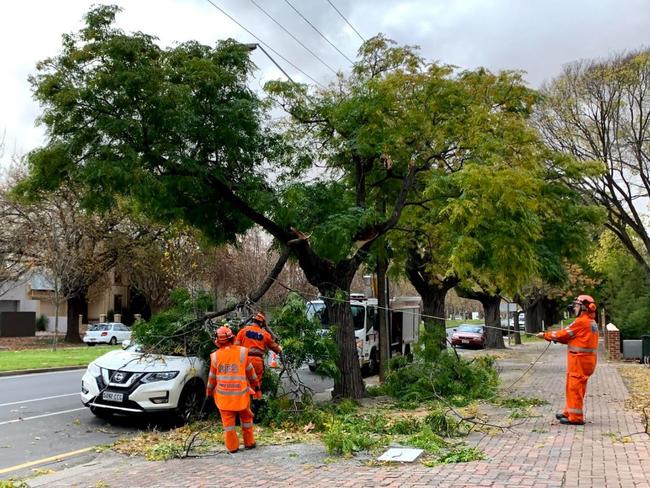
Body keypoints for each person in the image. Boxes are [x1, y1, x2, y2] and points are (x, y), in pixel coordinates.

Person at [537, 295, 599, 425]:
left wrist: (545, 335)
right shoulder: (590, 322)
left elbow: (563, 334)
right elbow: (572, 338)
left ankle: (575, 418)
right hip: (585, 360)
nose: (574, 308)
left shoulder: (581, 322)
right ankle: (568, 411)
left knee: (574, 387)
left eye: (577, 305)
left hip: (579, 360)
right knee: (575, 387)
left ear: (584, 307)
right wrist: (554, 338)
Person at [206, 325, 260, 453]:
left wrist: (208, 392)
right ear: (233, 337)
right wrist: (256, 386)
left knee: (228, 425)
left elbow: (212, 378)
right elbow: (250, 371)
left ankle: (232, 447)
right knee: (246, 419)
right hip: (241, 395)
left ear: (218, 341)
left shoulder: (215, 356)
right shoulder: (242, 352)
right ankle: (249, 442)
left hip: (224, 398)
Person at [234, 312, 282, 417]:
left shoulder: (243, 331)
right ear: (262, 323)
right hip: (257, 362)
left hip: (244, 360)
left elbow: (235, 348)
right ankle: (255, 414)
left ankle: (240, 414)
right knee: (256, 387)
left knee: (242, 386)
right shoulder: (264, 334)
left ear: (253, 321)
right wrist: (280, 348)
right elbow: (276, 348)